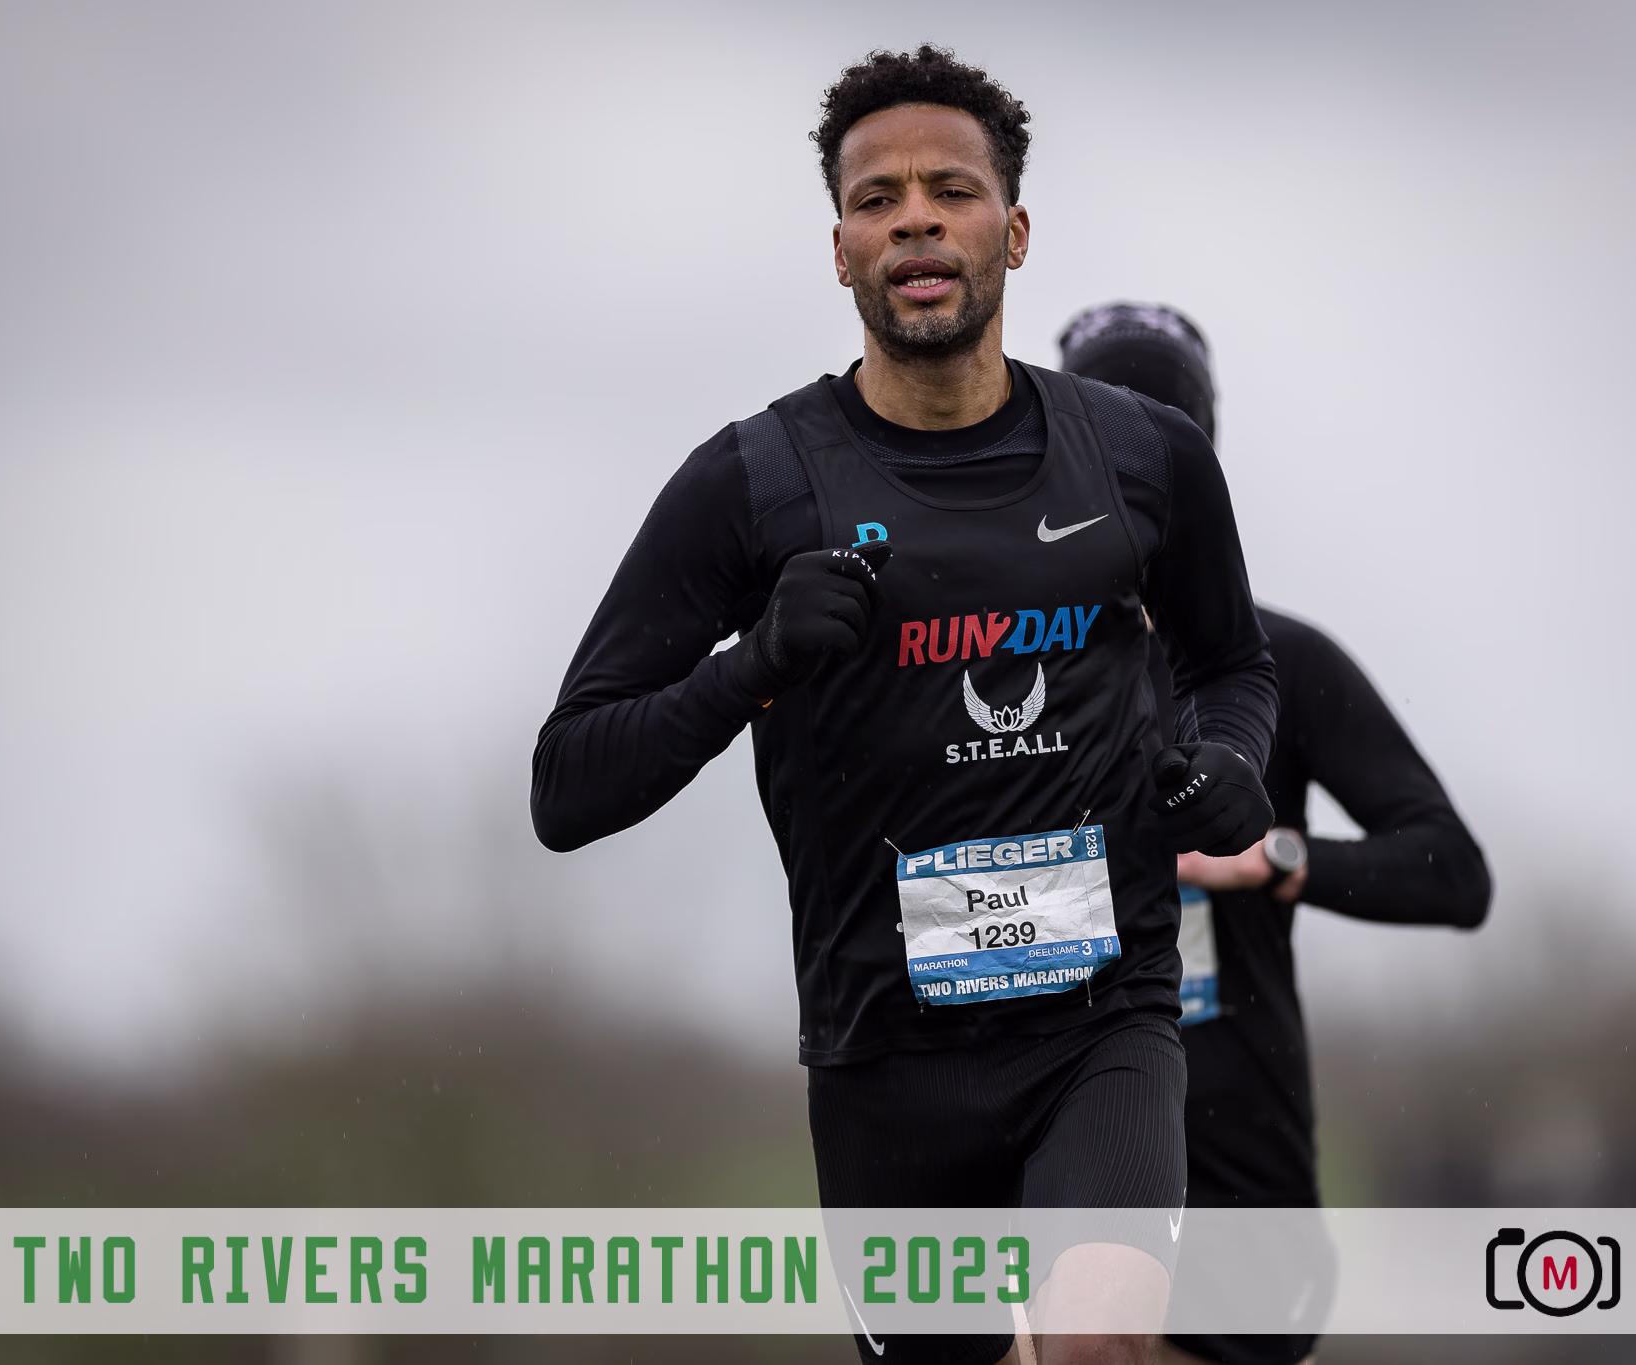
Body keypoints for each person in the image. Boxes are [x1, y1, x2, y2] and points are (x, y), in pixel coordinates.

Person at [533, 48, 1281, 1365]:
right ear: (841, 252)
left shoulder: (1140, 456)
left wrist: (1229, 760)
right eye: (877, 200)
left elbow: (1234, 667)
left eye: (951, 190)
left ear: (1014, 231)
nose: (916, 220)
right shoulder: (754, 484)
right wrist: (751, 665)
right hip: (884, 1057)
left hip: (1100, 1025)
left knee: (1098, 1343)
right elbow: (568, 785)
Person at [1059, 303, 1493, 1365]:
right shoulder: (1006, 667)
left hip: (1237, 1182)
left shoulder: (1278, 665)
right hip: (1049, 1156)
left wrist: (1276, 860)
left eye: (1160, 449)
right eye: (1104, 447)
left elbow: (1452, 872)